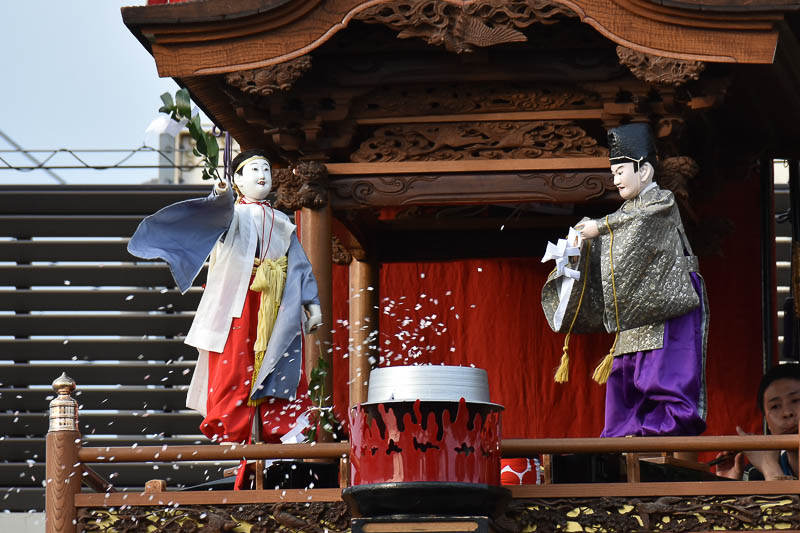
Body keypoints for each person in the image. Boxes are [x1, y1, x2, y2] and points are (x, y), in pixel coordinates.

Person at [128, 149, 322, 446]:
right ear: (238, 180)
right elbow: (215, 212)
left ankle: (281, 428)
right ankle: (232, 429)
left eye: (266, 170)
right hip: (238, 299)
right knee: (234, 364)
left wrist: (312, 303)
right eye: (254, 170)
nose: (262, 176)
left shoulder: (282, 220)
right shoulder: (232, 215)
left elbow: (299, 264)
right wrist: (220, 194)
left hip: (276, 301)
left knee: (282, 362)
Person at [541, 123, 709, 438]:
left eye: (620, 171)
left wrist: (599, 227)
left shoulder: (661, 202)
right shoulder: (624, 212)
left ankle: (663, 428)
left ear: (644, 171)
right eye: (613, 173)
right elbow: (617, 241)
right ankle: (625, 431)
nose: (615, 179)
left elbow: (636, 222)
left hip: (669, 302)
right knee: (627, 370)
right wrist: (580, 247)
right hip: (635, 305)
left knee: (662, 370)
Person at [715, 363, 800, 480]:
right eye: (775, 406)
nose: (787, 413)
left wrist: (769, 467)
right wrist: (729, 483)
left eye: (796, 400)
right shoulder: (754, 473)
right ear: (768, 423)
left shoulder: (767, 466)